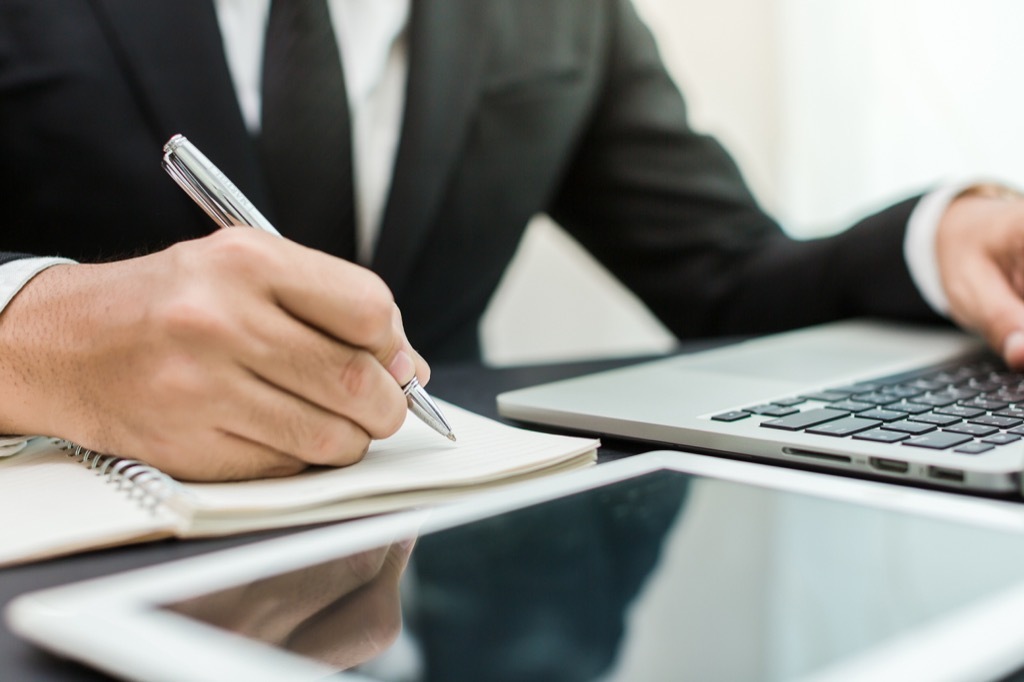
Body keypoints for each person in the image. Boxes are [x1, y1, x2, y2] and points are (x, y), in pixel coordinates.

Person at [0, 0, 1021, 481]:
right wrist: (31, 338)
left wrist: (945, 234)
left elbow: (729, 277)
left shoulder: (563, 16)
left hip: (447, 576)